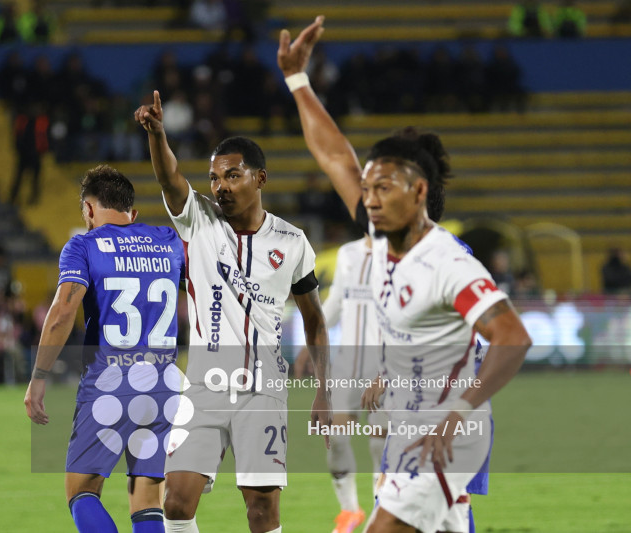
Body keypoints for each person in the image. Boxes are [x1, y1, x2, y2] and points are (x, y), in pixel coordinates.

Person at [278, 17, 532, 533]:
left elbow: (511, 336)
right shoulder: (379, 239)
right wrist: (297, 82)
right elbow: (334, 157)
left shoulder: (447, 260)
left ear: (416, 194)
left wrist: (459, 406)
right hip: (403, 419)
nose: (366, 197)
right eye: (367, 189)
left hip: (443, 428)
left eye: (381, 188)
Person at [134, 91, 332, 533]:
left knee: (261, 512)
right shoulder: (199, 221)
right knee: (177, 504)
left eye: (232, 175)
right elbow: (170, 180)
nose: (220, 186)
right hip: (204, 385)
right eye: (214, 178)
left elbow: (314, 319)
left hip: (263, 392)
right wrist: (158, 135)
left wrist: (324, 391)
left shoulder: (292, 241)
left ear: (259, 178)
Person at [24, 165, 185, 533]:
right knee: (146, 497)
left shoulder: (84, 244)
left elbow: (63, 312)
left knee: (81, 491)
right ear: (133, 213)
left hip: (111, 382)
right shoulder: (167, 240)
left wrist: (38, 378)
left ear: (89, 210)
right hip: (163, 386)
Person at [294, 235, 385, 533]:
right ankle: (350, 511)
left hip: (384, 367)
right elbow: (336, 301)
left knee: (379, 443)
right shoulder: (349, 253)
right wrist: (310, 343)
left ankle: (379, 512)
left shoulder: (401, 253)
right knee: (335, 437)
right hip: (347, 365)